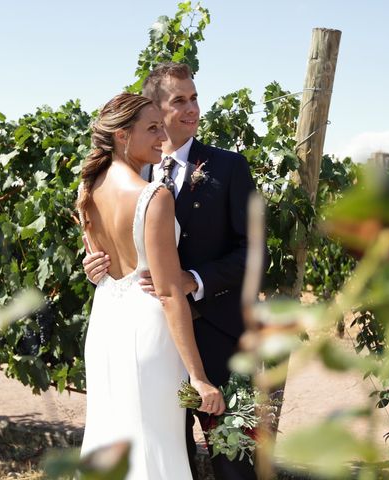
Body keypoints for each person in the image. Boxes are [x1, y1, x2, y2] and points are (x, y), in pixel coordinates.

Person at [83, 63, 258, 480]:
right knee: (161, 452)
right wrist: (93, 265)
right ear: (155, 110)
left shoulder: (229, 167)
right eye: (179, 100)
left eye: (195, 97)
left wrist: (193, 280)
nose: (192, 109)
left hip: (217, 338)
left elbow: (254, 254)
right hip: (149, 343)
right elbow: (111, 247)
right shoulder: (129, 173)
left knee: (235, 465)